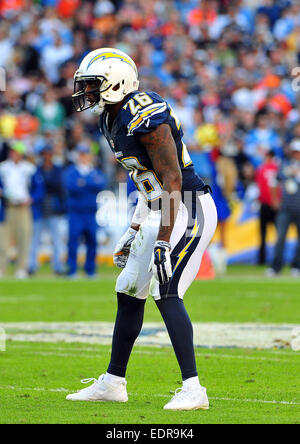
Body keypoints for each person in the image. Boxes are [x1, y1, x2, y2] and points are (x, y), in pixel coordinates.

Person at [66, 48, 217, 410]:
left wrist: (162, 240)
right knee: (128, 288)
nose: (86, 93)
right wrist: (135, 227)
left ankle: (194, 389)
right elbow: (145, 180)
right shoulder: (111, 118)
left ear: (116, 83)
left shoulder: (144, 114)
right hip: (159, 207)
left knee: (167, 289)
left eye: (92, 85)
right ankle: (114, 382)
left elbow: (172, 180)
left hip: (188, 207)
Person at [63, 143, 106, 278]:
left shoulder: (94, 171)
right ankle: (72, 270)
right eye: (81, 154)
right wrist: (89, 183)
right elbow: (71, 187)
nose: (83, 157)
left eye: (85, 154)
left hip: (90, 212)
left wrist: (83, 183)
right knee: (73, 241)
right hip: (76, 212)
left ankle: (90, 270)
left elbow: (101, 184)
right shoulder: (72, 171)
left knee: (92, 241)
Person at [0, 141, 39, 279]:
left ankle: (21, 268)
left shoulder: (29, 169)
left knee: (23, 239)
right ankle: (1, 268)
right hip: (7, 207)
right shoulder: (3, 168)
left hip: (23, 207)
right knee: (3, 240)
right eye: (12, 151)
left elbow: (38, 188)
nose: (13, 154)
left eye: (16, 151)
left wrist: (32, 198)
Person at [28, 144, 66, 276]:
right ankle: (32, 265)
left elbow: (61, 189)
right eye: (45, 154)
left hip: (53, 206)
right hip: (39, 207)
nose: (47, 156)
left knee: (56, 238)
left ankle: (58, 266)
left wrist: (62, 207)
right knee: (35, 238)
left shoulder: (57, 170)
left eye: (49, 153)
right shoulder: (37, 170)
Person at [267, 139, 300, 277]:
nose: (296, 154)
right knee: (280, 238)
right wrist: (275, 200)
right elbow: (273, 182)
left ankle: (297, 267)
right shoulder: (284, 165)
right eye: (294, 152)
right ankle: (276, 267)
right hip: (285, 208)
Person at [255, 150, 280, 265]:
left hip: (266, 203)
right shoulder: (277, 168)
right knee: (278, 234)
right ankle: (277, 259)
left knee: (263, 233)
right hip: (274, 204)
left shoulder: (262, 169)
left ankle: (262, 259)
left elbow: (260, 187)